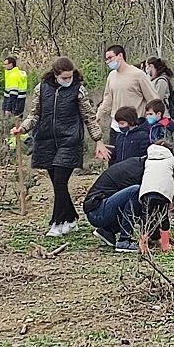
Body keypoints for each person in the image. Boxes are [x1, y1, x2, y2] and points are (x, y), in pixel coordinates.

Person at [12, 57, 111, 237]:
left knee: (59, 180)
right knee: (59, 184)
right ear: (56, 75)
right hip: (46, 141)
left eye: (70, 77)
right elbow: (34, 115)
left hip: (70, 141)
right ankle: (71, 218)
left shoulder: (79, 90)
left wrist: (98, 140)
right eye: (64, 78)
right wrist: (23, 128)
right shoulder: (41, 89)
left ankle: (57, 223)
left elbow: (89, 117)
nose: (68, 80)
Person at [97, 45, 159, 162]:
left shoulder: (138, 75)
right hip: (116, 127)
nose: (108, 61)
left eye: (110, 58)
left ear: (120, 56)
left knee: (132, 163)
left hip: (135, 127)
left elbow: (153, 99)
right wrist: (98, 116)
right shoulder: (111, 76)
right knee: (114, 162)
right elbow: (107, 99)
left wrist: (153, 121)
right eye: (106, 59)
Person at [84, 155, 147, 253]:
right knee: (136, 191)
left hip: (97, 209)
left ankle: (108, 231)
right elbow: (143, 206)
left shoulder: (139, 163)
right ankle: (124, 241)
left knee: (136, 196)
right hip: (97, 211)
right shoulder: (138, 171)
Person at [138, 142, 174, 254]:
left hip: (146, 192)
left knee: (146, 218)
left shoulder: (149, 160)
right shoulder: (173, 160)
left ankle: (143, 244)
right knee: (163, 217)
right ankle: (165, 244)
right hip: (163, 193)